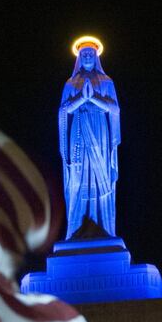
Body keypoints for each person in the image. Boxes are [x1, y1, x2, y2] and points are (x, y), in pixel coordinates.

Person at [58, 37, 120, 239]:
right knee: (78, 180)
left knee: (100, 177)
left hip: (99, 133)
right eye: (83, 53)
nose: (87, 56)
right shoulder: (70, 83)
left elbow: (114, 109)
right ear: (79, 57)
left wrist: (93, 98)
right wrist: (80, 99)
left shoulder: (106, 82)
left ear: (96, 56)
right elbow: (63, 111)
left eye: (90, 53)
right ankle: (77, 229)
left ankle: (104, 228)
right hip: (79, 133)